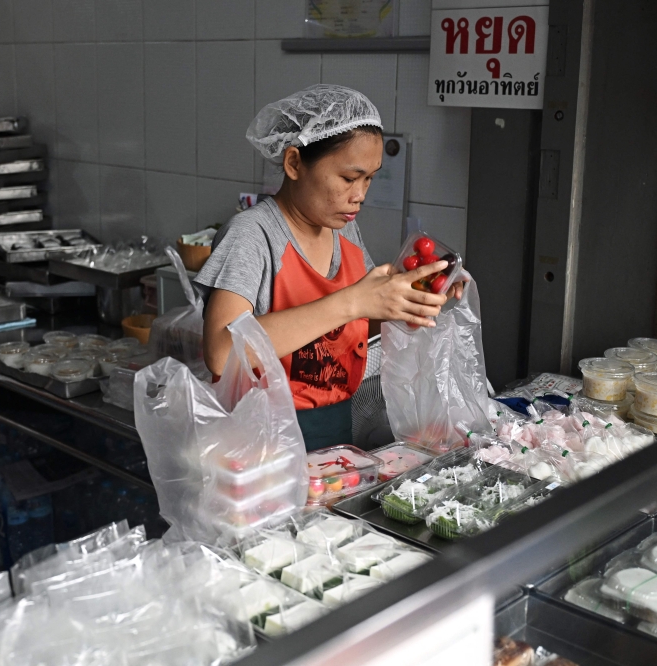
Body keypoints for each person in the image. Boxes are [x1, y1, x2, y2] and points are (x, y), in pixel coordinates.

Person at [195, 85, 463, 451]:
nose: (360, 195)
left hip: (335, 425)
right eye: (349, 178)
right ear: (293, 164)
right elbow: (221, 353)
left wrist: (410, 299)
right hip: (260, 437)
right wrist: (353, 302)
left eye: (370, 178)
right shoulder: (253, 236)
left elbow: (353, 323)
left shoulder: (344, 230)